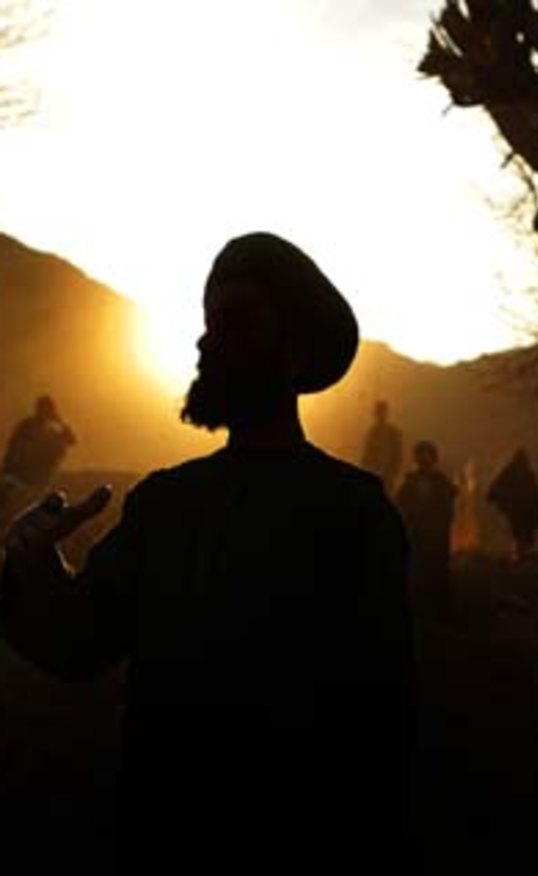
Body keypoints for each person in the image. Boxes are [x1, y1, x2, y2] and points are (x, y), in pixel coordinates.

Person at [0, 232, 412, 871]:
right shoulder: (164, 505)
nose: (206, 341)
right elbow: (79, 647)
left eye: (235, 322)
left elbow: (380, 731)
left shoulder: (354, 515)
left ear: (294, 351)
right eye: (207, 323)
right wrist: (28, 573)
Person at [397, 440, 457, 616]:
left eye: (427, 455)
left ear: (433, 459)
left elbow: (448, 509)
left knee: (438, 569)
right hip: (417, 533)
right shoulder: (409, 483)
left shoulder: (441, 483)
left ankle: (441, 608)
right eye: (421, 455)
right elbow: (402, 506)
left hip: (436, 535)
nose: (424, 459)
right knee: (417, 569)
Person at [0, 395, 76, 529]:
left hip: (32, 479)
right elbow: (14, 449)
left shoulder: (49, 430)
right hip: (21, 476)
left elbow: (71, 440)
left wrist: (59, 421)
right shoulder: (28, 426)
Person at [487, 447, 538, 561]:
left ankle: (520, 557)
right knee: (520, 535)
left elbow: (535, 496)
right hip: (518, 512)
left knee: (521, 536)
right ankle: (519, 557)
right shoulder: (517, 473)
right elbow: (535, 497)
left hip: (520, 512)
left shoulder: (515, 473)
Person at [361, 399, 403, 496]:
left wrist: (394, 471)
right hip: (374, 471)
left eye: (382, 412)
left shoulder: (393, 432)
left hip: (388, 474)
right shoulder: (372, 433)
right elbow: (367, 454)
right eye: (378, 412)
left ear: (386, 413)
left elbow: (398, 454)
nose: (380, 415)